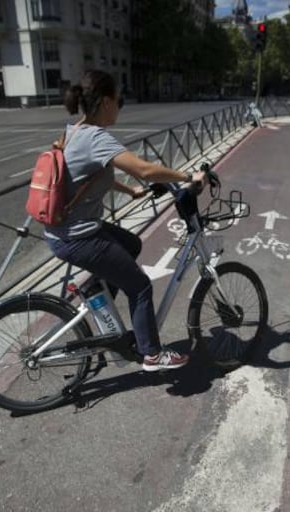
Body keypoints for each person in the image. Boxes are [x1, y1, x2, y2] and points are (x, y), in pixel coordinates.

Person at [44, 70, 206, 371]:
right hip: (77, 236)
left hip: (65, 230)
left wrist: (129, 190)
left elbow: (89, 174)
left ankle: (97, 290)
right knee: (141, 286)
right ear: (106, 101)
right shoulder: (95, 137)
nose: (120, 105)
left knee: (131, 243)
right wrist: (188, 176)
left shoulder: (75, 130)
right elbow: (144, 169)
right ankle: (152, 354)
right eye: (119, 100)